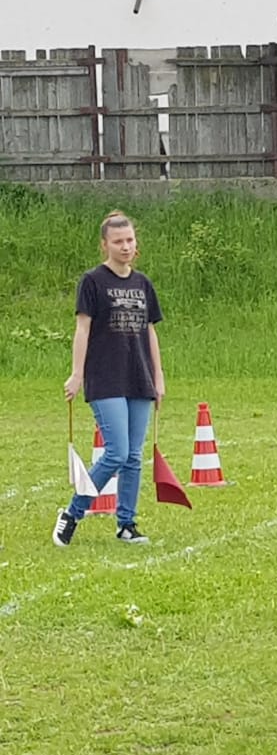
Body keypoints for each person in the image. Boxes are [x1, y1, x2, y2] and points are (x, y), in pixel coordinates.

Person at [53, 211, 167, 547]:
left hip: (139, 377)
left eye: (129, 240)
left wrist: (158, 376)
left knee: (133, 456)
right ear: (105, 245)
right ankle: (72, 512)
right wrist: (77, 374)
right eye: (118, 241)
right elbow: (82, 329)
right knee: (116, 453)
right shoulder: (92, 281)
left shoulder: (143, 283)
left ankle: (126, 523)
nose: (125, 246)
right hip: (105, 378)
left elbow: (150, 332)